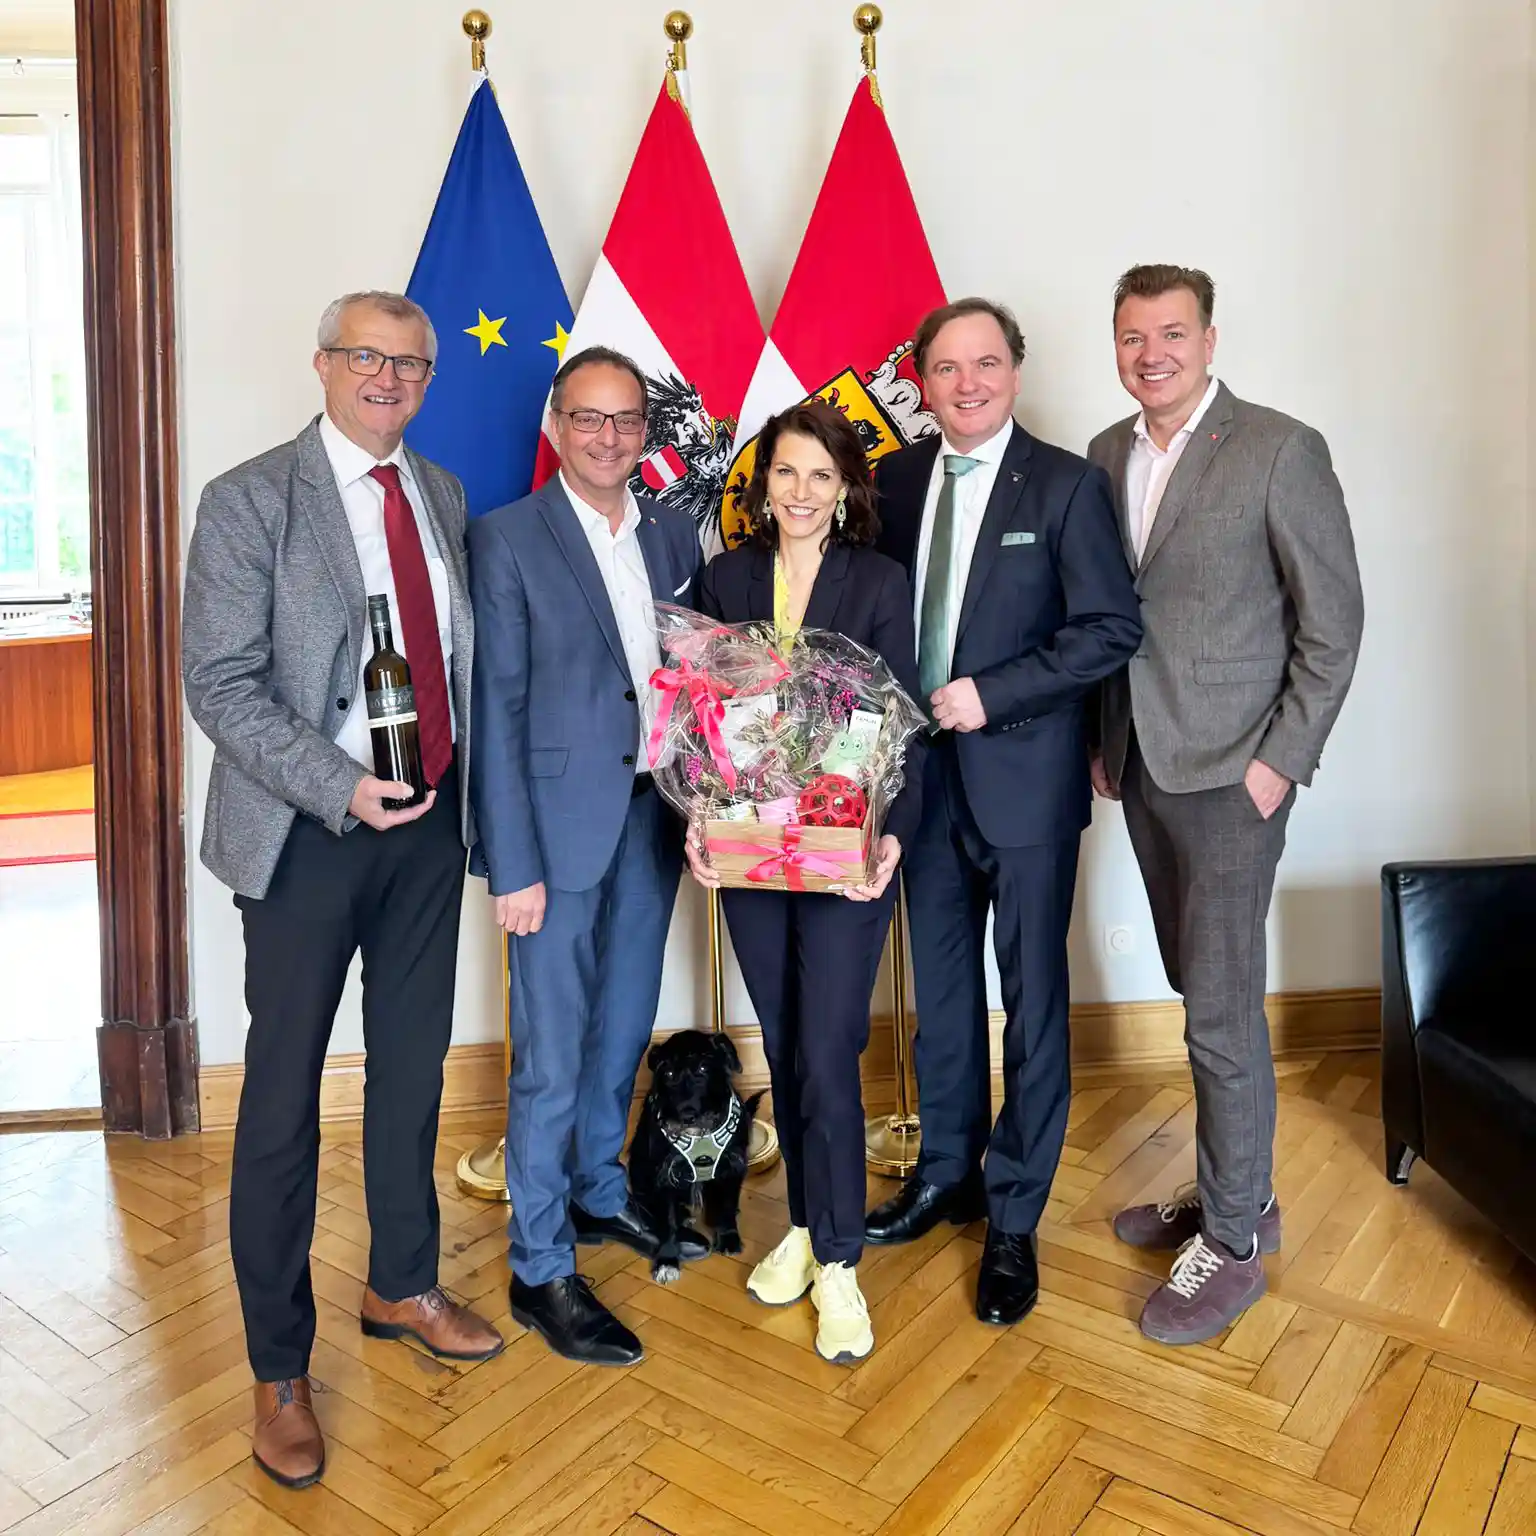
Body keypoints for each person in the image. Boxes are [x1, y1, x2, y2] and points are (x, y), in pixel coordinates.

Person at [182, 290, 502, 1491]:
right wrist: (339, 786)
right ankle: (279, 1368)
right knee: (279, 1105)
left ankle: (402, 1285)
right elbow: (219, 682)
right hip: (307, 835)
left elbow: (457, 660)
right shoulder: (250, 498)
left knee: (413, 1073)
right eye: (366, 356)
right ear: (322, 364)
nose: (388, 377)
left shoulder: (442, 493)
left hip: (427, 830)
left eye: (410, 363)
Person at [1087, 264, 1363, 1345]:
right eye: (1132, 336)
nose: (1151, 353)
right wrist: (1104, 740)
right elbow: (1112, 615)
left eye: (1172, 333)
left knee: (1219, 1009)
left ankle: (1236, 1246)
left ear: (1209, 339)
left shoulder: (1281, 449)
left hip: (1235, 776)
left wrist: (1280, 762)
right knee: (1197, 986)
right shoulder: (1107, 454)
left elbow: (1333, 623)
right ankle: (1238, 1188)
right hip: (1144, 765)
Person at [865, 298, 1143, 1327]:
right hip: (920, 788)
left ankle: (1015, 1214)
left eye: (986, 363)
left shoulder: (1066, 484)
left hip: (1025, 786)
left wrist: (997, 693)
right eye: (947, 368)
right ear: (921, 382)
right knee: (940, 999)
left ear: (1015, 372)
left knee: (1031, 1004)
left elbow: (1110, 626)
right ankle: (948, 1174)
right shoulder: (892, 483)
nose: (968, 383)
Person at [469, 346, 704, 1367]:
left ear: (646, 431)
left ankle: (600, 1191)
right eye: (588, 418)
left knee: (621, 1028)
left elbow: (696, 676)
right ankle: (539, 1264)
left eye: (627, 420)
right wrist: (511, 863)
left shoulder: (672, 531)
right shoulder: (508, 536)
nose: (609, 438)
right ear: (556, 427)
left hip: (653, 817)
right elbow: (496, 707)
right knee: (553, 1054)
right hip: (553, 836)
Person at [685, 401, 925, 1365]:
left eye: (821, 475)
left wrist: (890, 838)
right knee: (785, 1042)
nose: (801, 491)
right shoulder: (726, 578)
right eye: (786, 472)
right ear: (763, 484)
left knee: (828, 1048)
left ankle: (839, 1259)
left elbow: (901, 722)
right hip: (750, 849)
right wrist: (697, 822)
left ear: (846, 490)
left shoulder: (879, 581)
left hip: (841, 851)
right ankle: (802, 1223)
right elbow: (699, 722)